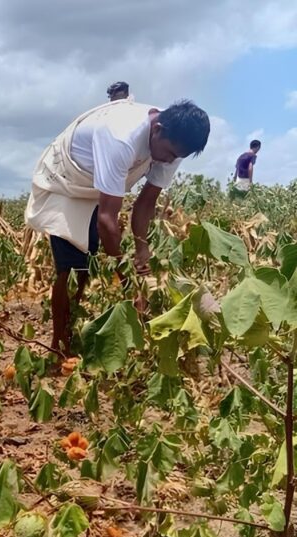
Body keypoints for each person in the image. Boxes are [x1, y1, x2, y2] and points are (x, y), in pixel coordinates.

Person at [25, 99, 210, 357]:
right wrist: (128, 280)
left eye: (176, 157)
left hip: (101, 188)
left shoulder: (173, 144)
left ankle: (74, 335)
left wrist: (142, 250)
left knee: (84, 271)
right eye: (168, 153)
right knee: (71, 269)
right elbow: (107, 220)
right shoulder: (121, 137)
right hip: (68, 181)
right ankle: (60, 345)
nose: (169, 160)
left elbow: (146, 203)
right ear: (156, 130)